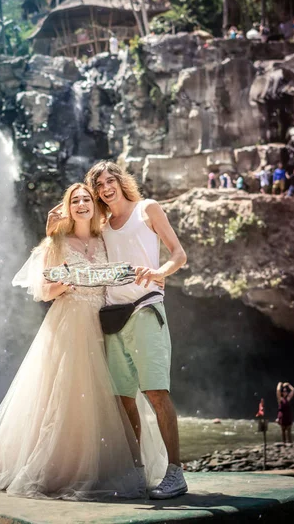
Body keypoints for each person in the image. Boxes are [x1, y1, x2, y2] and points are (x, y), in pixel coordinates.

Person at [0, 183, 166, 500]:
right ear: (67, 207)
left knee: (111, 397)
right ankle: (65, 468)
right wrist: (65, 284)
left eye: (86, 199)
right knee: (68, 397)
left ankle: (113, 465)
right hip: (70, 324)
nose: (81, 204)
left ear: (95, 205)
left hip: (105, 323)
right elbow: (43, 291)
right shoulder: (56, 242)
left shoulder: (106, 238)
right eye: (74, 200)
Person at [82, 161, 189, 499]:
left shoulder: (148, 209)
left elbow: (179, 254)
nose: (104, 188)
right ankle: (138, 471)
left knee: (156, 392)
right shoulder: (103, 225)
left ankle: (175, 473)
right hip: (113, 316)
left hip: (145, 308)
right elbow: (74, 233)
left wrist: (160, 273)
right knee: (123, 399)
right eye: (98, 185)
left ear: (121, 181)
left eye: (109, 180)